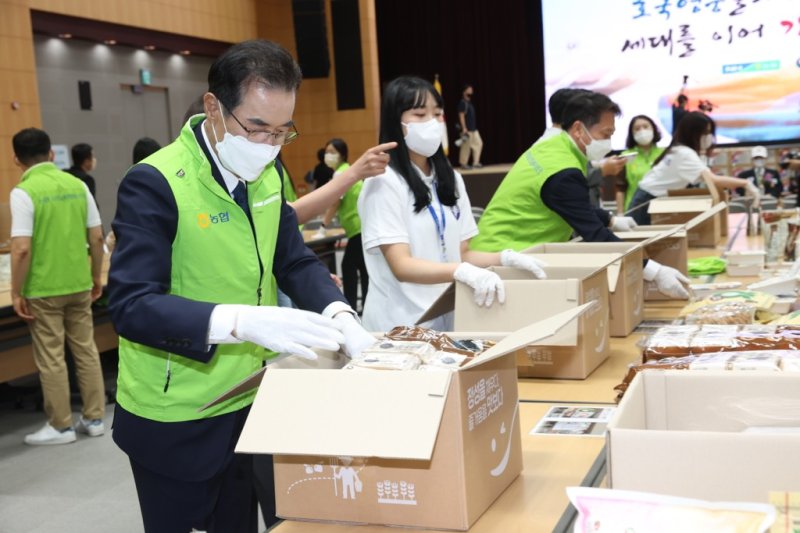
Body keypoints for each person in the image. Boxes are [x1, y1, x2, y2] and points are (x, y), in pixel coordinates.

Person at [107, 39, 383, 533]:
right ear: (214, 107)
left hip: (252, 399)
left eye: (283, 132)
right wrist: (239, 320)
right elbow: (131, 305)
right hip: (177, 413)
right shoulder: (156, 182)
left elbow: (293, 260)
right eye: (256, 128)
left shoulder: (268, 172)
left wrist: (342, 316)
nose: (269, 145)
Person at [358, 76, 547, 332]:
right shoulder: (384, 181)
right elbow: (402, 266)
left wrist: (506, 258)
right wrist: (462, 271)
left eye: (437, 114)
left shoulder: (451, 178)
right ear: (396, 121)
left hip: (448, 317)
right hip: (400, 325)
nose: (432, 122)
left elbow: (463, 253)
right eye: (419, 113)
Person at [469, 91, 691, 299]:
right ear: (578, 129)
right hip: (503, 259)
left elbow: (565, 203)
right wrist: (653, 270)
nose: (608, 143)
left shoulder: (554, 147)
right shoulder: (562, 170)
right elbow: (596, 236)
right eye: (605, 134)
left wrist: (610, 218)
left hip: (497, 248)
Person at [10, 128, 106, 445]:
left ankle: (61, 426)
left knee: (51, 357)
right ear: (51, 154)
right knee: (86, 350)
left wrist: (16, 290)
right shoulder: (78, 185)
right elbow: (95, 237)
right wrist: (95, 276)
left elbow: (21, 248)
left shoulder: (24, 193)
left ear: (16, 159)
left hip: (43, 289)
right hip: (79, 283)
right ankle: (94, 419)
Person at [628, 111, 760, 225]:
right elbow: (712, 180)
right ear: (693, 133)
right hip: (646, 203)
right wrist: (745, 183)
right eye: (705, 132)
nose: (709, 137)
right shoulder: (684, 153)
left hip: (647, 199)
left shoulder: (680, 150)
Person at [318, 138, 368, 311]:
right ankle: (362, 305)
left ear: (343, 154)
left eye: (333, 152)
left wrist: (323, 226)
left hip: (358, 227)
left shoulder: (341, 173)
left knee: (349, 266)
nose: (328, 155)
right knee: (361, 267)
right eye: (327, 151)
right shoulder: (347, 170)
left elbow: (335, 202)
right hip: (360, 226)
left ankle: (351, 306)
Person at [616, 115, 665, 214]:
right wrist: (620, 214)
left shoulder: (665, 154)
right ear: (632, 133)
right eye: (637, 129)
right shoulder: (626, 156)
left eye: (646, 127)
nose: (642, 131)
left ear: (654, 129)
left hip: (662, 208)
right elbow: (620, 188)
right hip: (634, 209)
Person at [457, 84, 483, 169]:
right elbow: (461, 116)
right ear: (464, 91)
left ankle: (475, 163)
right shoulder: (463, 103)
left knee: (478, 143)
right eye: (469, 89)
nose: (471, 91)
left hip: (473, 129)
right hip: (466, 129)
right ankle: (463, 164)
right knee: (466, 147)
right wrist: (464, 128)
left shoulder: (469, 103)